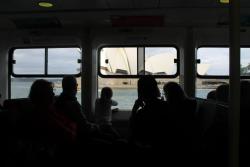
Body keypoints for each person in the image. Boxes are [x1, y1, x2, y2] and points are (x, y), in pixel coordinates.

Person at [129, 75, 165, 148]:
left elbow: (133, 133)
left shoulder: (142, 114)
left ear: (141, 92)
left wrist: (134, 109)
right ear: (156, 89)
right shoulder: (166, 106)